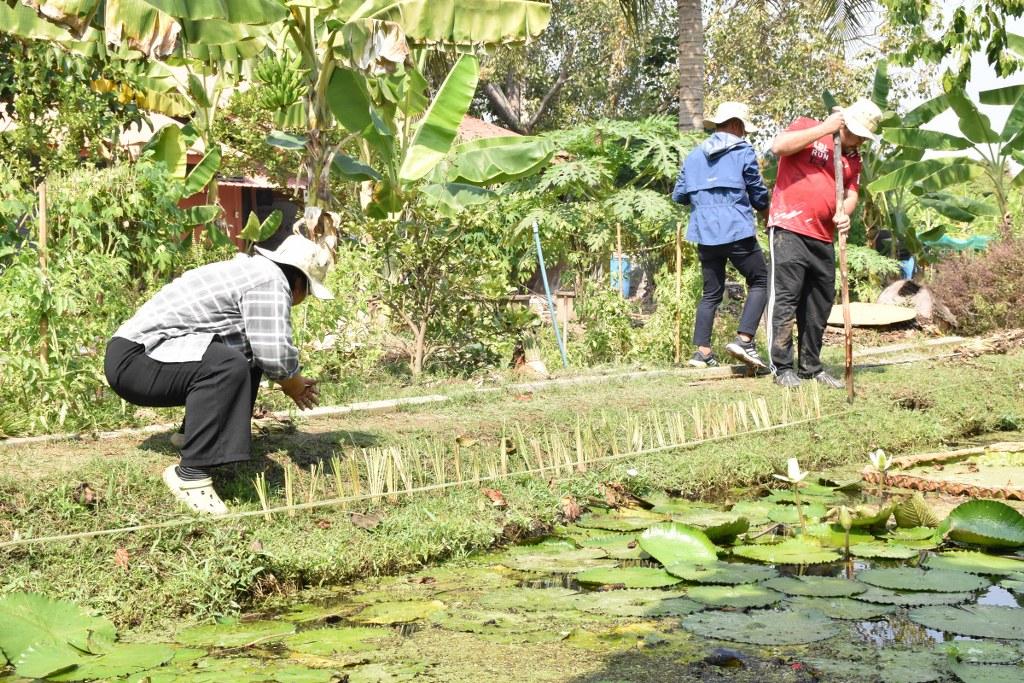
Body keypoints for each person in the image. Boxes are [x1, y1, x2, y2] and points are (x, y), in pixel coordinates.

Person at [104, 233, 334, 514]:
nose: (303, 299)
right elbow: (273, 351)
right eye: (308, 291)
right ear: (298, 281)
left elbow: (259, 349)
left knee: (242, 355)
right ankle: (191, 475)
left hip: (133, 357)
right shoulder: (270, 280)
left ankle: (192, 435)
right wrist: (293, 383)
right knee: (229, 364)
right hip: (137, 361)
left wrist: (290, 378)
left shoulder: (252, 271)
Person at [766, 99, 882, 388]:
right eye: (856, 133)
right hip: (788, 228)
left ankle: (811, 367)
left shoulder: (854, 157)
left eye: (863, 137)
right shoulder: (808, 127)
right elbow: (778, 147)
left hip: (822, 236)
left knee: (818, 302)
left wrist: (845, 213)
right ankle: (781, 367)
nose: (858, 140)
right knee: (786, 298)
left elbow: (852, 192)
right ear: (844, 123)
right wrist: (823, 129)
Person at [672, 101, 770, 369]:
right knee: (761, 279)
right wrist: (765, 209)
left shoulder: (693, 156)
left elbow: (679, 195)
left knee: (711, 293)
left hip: (705, 233)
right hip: (737, 230)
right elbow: (758, 193)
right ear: (738, 125)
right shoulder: (743, 151)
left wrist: (705, 198)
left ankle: (702, 352)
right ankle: (744, 340)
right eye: (744, 130)